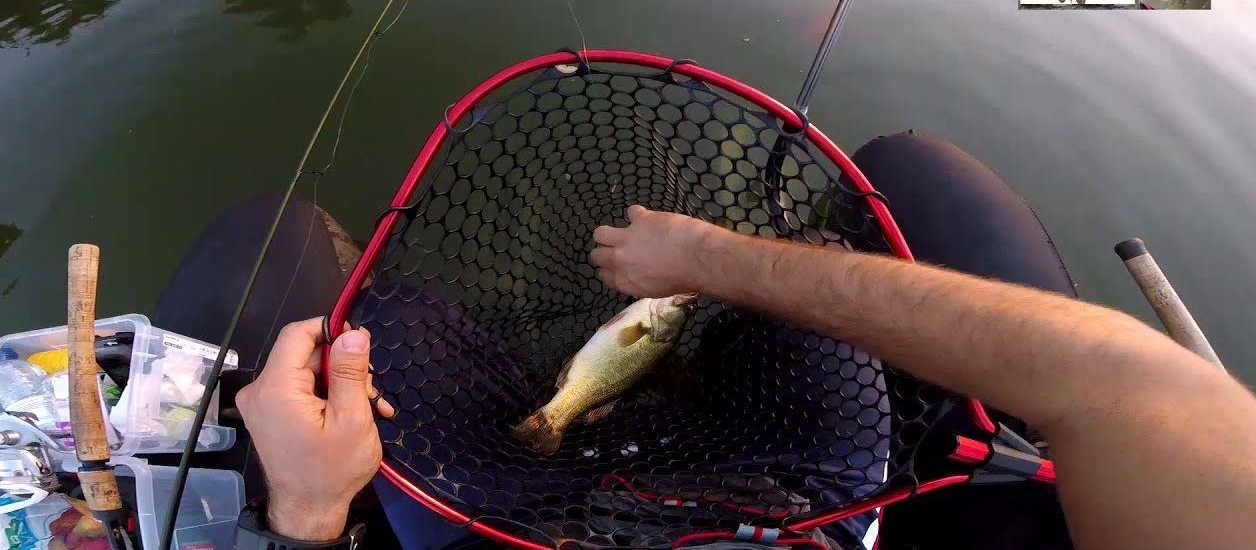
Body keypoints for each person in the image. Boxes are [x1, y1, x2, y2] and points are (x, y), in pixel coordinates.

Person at [234, 205, 1256, 550]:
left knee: (378, 316)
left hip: (518, 524)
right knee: (820, 263)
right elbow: (1125, 380)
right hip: (813, 508)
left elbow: (1116, 374)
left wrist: (308, 514)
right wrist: (709, 261)